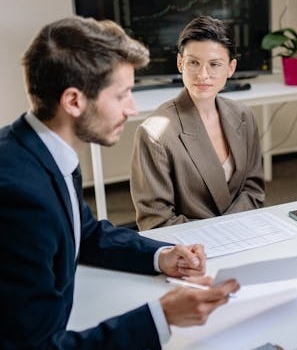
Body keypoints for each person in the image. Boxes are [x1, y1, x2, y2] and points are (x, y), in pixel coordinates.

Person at [0, 17, 240, 349]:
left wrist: (162, 256)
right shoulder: (19, 196)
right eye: (122, 95)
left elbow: (83, 232)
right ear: (74, 101)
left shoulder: (41, 150)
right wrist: (162, 317)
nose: (132, 108)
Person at [130, 16, 265, 230]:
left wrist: (233, 229)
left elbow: (254, 190)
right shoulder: (154, 133)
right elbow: (156, 221)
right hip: (190, 249)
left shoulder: (244, 116)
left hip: (243, 231)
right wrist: (220, 233)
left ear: (231, 68)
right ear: (180, 63)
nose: (203, 75)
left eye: (215, 64)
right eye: (193, 62)